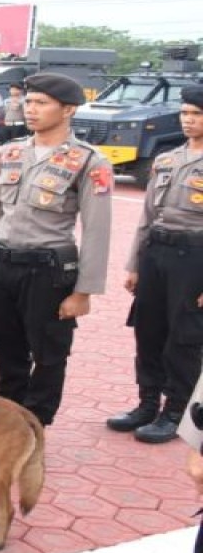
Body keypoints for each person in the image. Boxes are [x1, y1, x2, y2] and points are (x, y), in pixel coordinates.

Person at [0, 73, 112, 426]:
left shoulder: (89, 161)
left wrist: (84, 292)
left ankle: (35, 423)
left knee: (49, 354)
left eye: (41, 103)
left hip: (48, 271)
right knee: (4, 348)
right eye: (29, 102)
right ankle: (5, 418)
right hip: (4, 264)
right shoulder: (10, 152)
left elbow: (97, 230)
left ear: (68, 110)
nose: (30, 110)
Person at [107, 85, 203, 443]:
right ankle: (147, 403)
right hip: (156, 255)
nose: (189, 120)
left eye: (196, 114)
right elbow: (147, 218)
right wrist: (134, 264)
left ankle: (175, 411)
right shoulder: (166, 160)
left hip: (195, 259)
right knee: (148, 331)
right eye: (185, 114)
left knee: (184, 338)